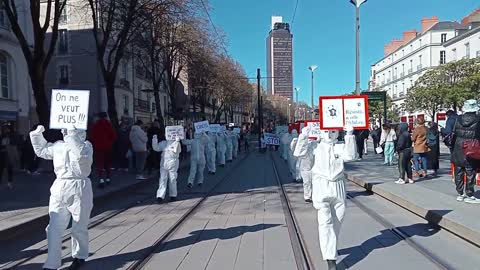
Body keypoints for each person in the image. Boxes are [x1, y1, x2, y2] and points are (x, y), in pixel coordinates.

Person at [30, 126, 93, 270]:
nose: (64, 131)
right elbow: (42, 150)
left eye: (69, 130)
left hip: (79, 187)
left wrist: (71, 136)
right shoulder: (58, 146)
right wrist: (36, 135)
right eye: (64, 130)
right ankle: (52, 262)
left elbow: (81, 157)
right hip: (60, 187)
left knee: (79, 225)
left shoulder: (86, 146)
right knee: (53, 227)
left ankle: (79, 255)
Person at [302, 128, 356, 270]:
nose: (329, 135)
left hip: (338, 186)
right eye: (326, 131)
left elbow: (350, 156)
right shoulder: (315, 146)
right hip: (321, 186)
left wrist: (350, 135)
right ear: (320, 132)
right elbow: (299, 153)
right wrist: (303, 136)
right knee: (325, 222)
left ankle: (331, 247)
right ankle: (330, 258)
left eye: (333, 131)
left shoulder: (339, 146)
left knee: (338, 220)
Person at [451, 100, 480, 203]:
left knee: (458, 170)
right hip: (472, 146)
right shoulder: (478, 119)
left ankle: (460, 193)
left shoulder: (458, 118)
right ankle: (469, 194)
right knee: (470, 171)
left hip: (458, 146)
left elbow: (453, 132)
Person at [90, 112, 117, 188]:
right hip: (108, 147)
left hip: (98, 147)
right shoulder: (109, 125)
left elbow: (92, 136)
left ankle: (101, 179)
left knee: (100, 163)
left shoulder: (95, 125)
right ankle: (108, 178)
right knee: (107, 163)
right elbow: (114, 136)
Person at [152, 134, 181, 203]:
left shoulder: (176, 142)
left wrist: (177, 142)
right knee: (162, 179)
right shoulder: (163, 143)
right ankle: (160, 196)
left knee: (173, 178)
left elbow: (177, 150)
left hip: (173, 162)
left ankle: (173, 195)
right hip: (164, 162)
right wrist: (154, 140)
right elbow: (156, 148)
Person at [294, 126, 318, 202]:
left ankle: (314, 195)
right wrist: (304, 136)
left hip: (314, 166)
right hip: (304, 167)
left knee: (314, 182)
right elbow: (297, 152)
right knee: (307, 182)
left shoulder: (313, 143)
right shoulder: (300, 143)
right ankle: (307, 196)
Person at [441, 110, 458, 180]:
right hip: (463, 140)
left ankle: (455, 174)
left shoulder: (450, 120)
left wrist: (442, 129)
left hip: (454, 141)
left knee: (454, 157)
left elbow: (447, 131)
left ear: (448, 115)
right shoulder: (459, 118)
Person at [0, 125, 16, 189]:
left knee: (9, 168)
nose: (6, 130)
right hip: (3, 154)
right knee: (1, 169)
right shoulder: (2, 136)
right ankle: (8, 182)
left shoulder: (10, 136)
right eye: (4, 129)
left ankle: (10, 182)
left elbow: (13, 143)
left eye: (6, 129)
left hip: (8, 154)